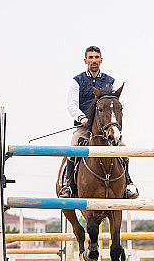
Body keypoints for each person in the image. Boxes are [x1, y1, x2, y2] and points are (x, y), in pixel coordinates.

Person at [59, 45, 138, 199]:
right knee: (73, 146)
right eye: (91, 58)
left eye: (96, 57)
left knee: (123, 148)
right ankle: (68, 186)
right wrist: (82, 118)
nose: (93, 60)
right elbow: (71, 105)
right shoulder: (77, 81)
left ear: (101, 60)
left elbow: (118, 105)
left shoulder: (111, 81)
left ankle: (128, 184)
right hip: (84, 127)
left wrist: (114, 123)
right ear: (85, 60)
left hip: (106, 128)